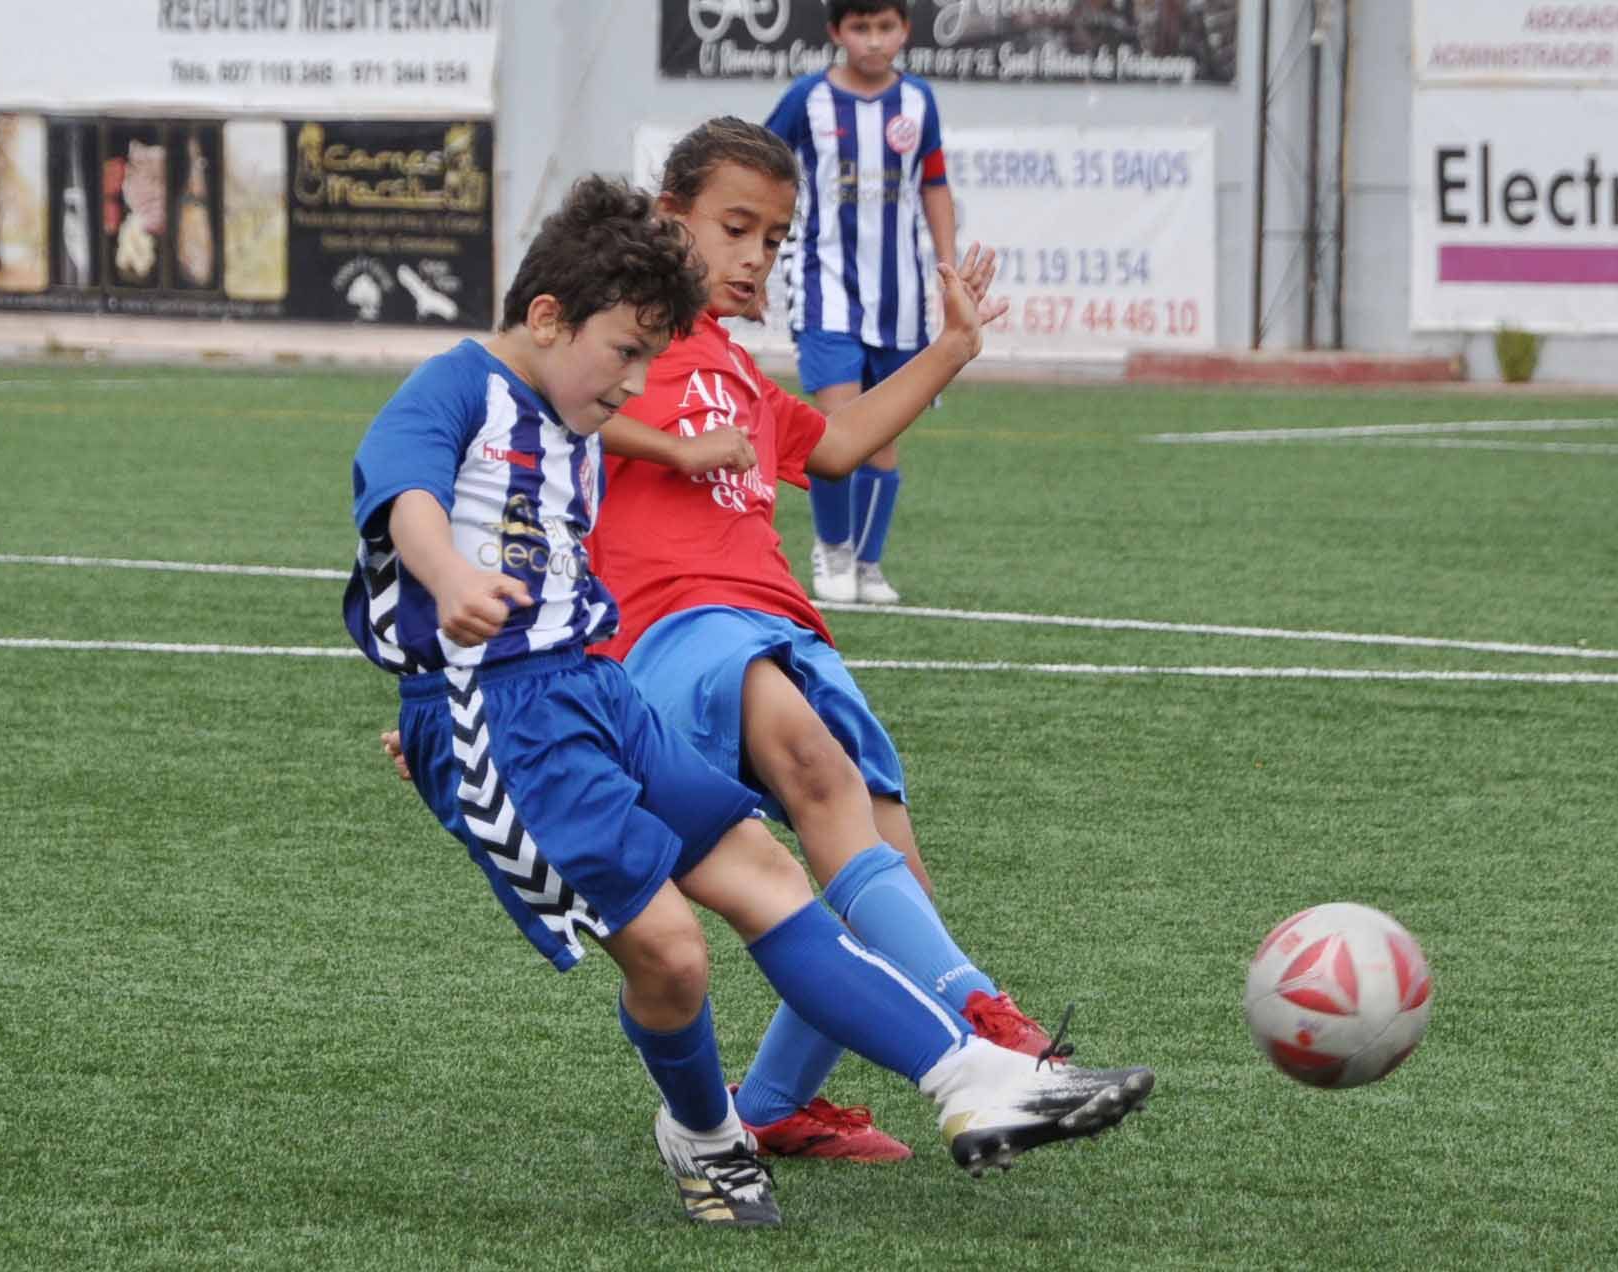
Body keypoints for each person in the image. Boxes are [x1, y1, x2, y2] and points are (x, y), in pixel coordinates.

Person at [345, 174, 1153, 1227]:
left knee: (770, 875)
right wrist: (448, 601)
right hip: (510, 722)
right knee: (675, 953)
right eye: (627, 354)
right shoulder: (454, 388)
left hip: (595, 691)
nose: (637, 383)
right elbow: (404, 492)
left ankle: (970, 1079)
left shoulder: (576, 406)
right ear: (546, 318)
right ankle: (705, 1133)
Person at [591, 117, 1069, 1163]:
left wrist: (953, 346)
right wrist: (674, 445)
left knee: (894, 881)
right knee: (812, 766)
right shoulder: (627, 335)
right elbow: (555, 402)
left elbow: (844, 443)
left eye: (772, 238)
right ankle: (990, 1025)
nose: (754, 255)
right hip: (677, 624)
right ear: (670, 217)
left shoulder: (743, 379)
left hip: (785, 626)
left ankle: (773, 1107)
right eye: (733, 228)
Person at [765, 0, 956, 605]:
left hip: (897, 298)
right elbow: (760, 168)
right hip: (825, 290)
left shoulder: (919, 101)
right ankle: (833, 550)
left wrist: (947, 270)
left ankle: (870, 563)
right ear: (836, 33)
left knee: (883, 437)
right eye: (860, 28)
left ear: (904, 30)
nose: (873, 41)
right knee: (837, 424)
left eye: (885, 27)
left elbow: (934, 183)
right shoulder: (808, 99)